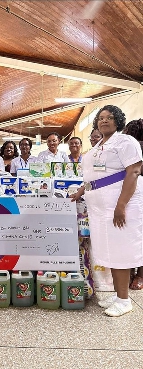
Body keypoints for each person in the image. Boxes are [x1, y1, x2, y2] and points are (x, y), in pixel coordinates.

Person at [71, 105, 143, 317]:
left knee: (120, 250)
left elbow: (134, 170)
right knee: (109, 250)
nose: (104, 121)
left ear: (118, 121)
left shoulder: (125, 141)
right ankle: (117, 293)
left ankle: (124, 300)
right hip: (100, 207)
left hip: (119, 204)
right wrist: (80, 192)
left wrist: (121, 205)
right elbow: (96, 176)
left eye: (110, 117)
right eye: (101, 118)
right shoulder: (99, 145)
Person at [123, 118, 143, 289]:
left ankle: (139, 275)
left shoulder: (137, 148)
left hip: (137, 193)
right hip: (131, 195)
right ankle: (131, 271)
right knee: (132, 235)